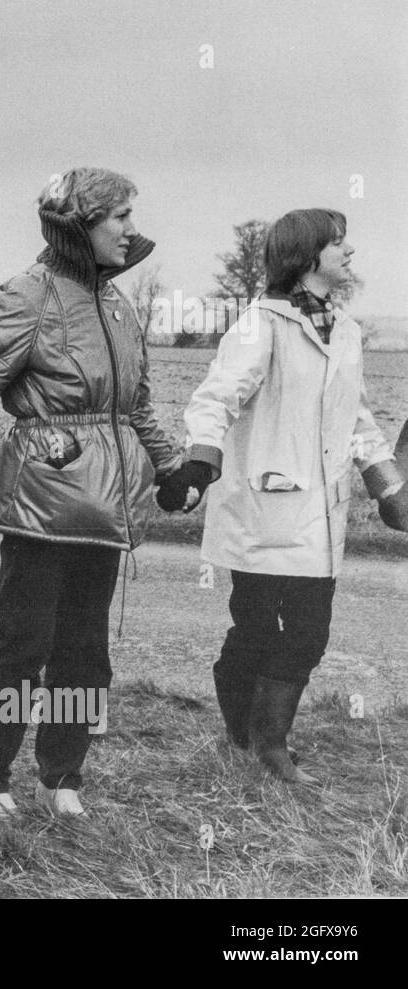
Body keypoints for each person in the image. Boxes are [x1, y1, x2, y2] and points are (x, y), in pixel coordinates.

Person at [0, 167, 182, 818]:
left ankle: (62, 777)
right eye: (119, 215)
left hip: (104, 508)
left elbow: (135, 405)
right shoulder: (26, 296)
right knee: (23, 645)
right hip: (43, 500)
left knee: (85, 652)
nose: (132, 228)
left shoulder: (118, 303)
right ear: (80, 224)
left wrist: (171, 466)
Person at [175, 208, 406, 783]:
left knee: (309, 633)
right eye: (337, 244)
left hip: (322, 514)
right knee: (255, 629)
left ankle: (269, 739)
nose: (349, 253)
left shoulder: (346, 330)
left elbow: (356, 417)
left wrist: (387, 486)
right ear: (306, 257)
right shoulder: (262, 324)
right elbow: (216, 397)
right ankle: (248, 735)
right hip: (262, 506)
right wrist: (202, 453)